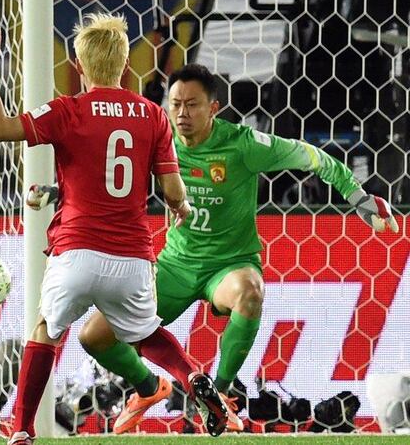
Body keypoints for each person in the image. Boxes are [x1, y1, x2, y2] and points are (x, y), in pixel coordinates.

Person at [27, 63, 400, 434]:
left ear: (214, 108)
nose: (182, 114)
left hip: (230, 264)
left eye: (192, 105)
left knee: (249, 292)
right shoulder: (158, 139)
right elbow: (106, 184)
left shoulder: (243, 144)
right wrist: (55, 193)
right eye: (175, 105)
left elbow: (314, 157)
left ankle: (217, 397)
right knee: (93, 337)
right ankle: (148, 387)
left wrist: (359, 197)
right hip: (175, 264)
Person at [0, 15, 230, 445]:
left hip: (76, 251)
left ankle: (20, 431)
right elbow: (171, 191)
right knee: (147, 334)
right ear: (126, 62)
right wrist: (183, 206)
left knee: (46, 333)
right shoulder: (152, 115)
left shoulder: (67, 110)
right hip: (132, 256)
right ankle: (192, 376)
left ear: (78, 65)